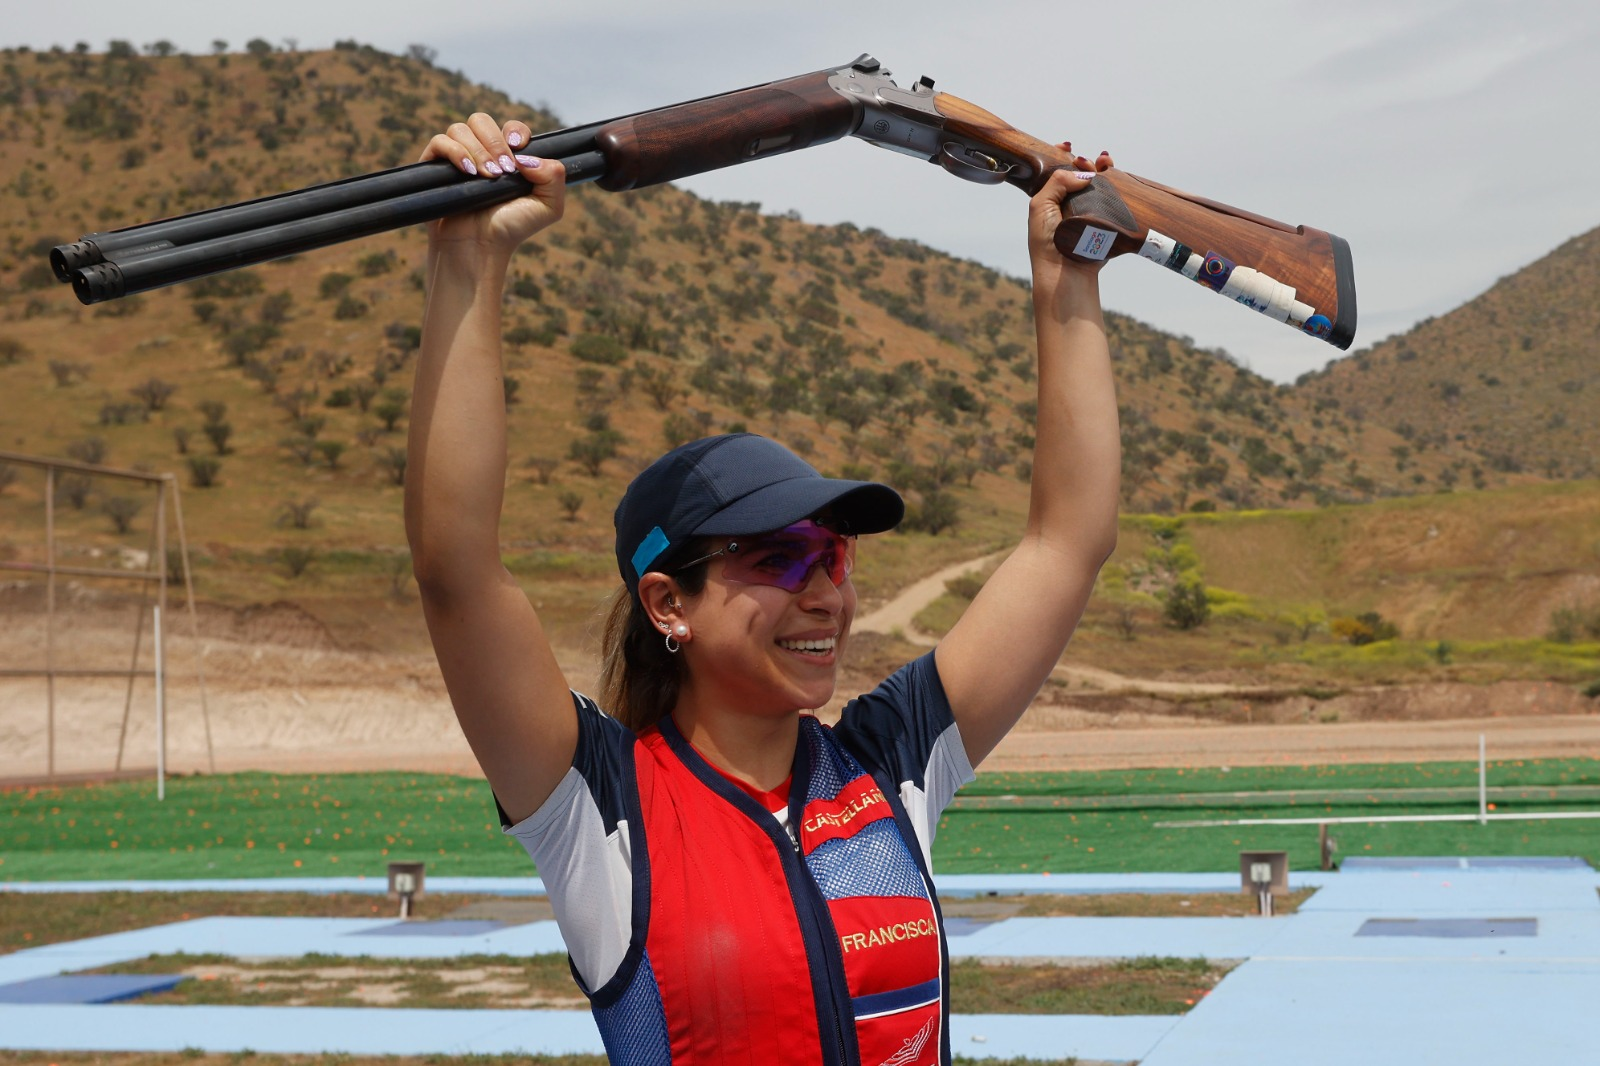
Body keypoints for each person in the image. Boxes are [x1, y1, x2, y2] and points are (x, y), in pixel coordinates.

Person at [405, 113, 1121, 1066]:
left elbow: (1067, 542)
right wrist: (468, 257)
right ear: (669, 605)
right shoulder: (598, 803)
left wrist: (1067, 274)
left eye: (835, 554)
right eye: (779, 558)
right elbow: (456, 572)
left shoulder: (889, 759)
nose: (824, 593)